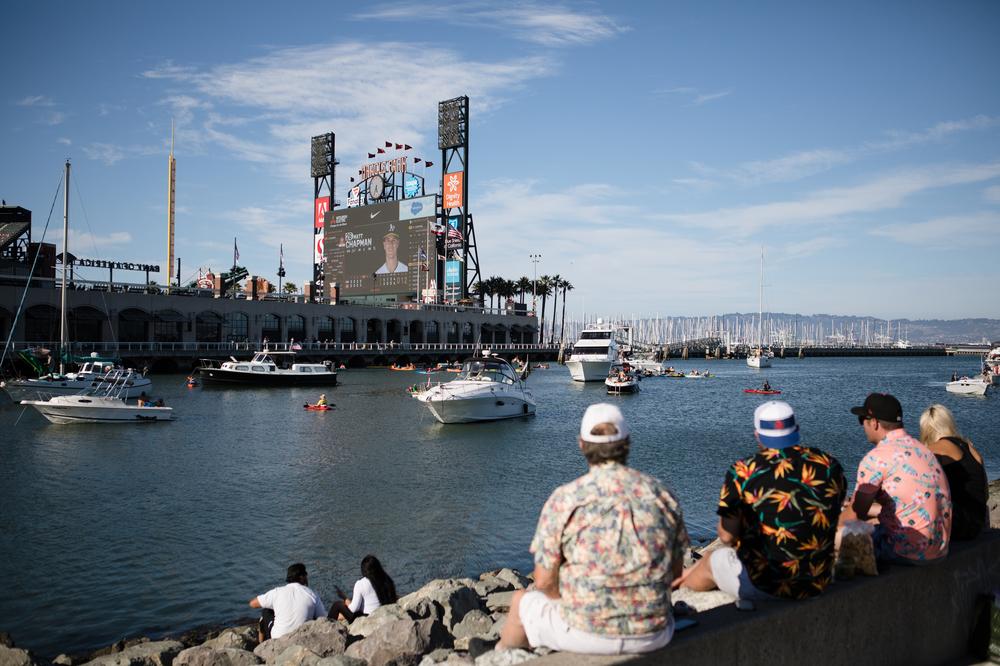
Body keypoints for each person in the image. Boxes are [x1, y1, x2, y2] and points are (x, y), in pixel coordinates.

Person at [499, 403, 688, 655]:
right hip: (653, 632)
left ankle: (499, 656)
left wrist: (572, 603)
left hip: (584, 632)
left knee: (523, 601)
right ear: (627, 443)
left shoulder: (565, 498)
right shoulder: (661, 494)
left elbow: (543, 581)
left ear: (582, 445)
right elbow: (675, 575)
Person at [673, 401, 845, 600]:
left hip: (766, 585)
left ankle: (677, 593)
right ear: (796, 429)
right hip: (818, 581)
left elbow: (727, 536)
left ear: (757, 435)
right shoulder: (828, 464)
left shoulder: (743, 471)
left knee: (713, 559)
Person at [841, 393, 952, 563]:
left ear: (874, 423)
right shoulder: (923, 451)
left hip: (907, 552)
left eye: (862, 419)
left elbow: (854, 515)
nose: (862, 425)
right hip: (939, 548)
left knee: (835, 537)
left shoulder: (876, 458)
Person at [919, 404, 988, 540]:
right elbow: (985, 494)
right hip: (977, 523)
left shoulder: (937, 449)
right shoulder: (969, 448)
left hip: (959, 525)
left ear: (927, 430)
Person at [250, 563, 327, 643]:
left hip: (278, 639)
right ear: (302, 577)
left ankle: (261, 645)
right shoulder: (312, 594)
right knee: (313, 612)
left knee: (265, 611)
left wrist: (275, 607)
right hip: (303, 639)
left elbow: (253, 603)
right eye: (306, 575)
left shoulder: (277, 592)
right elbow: (323, 617)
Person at [328, 554, 398, 623]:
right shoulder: (387, 579)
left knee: (337, 605)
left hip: (367, 619)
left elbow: (353, 609)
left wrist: (345, 599)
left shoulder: (361, 583)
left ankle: (327, 625)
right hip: (384, 613)